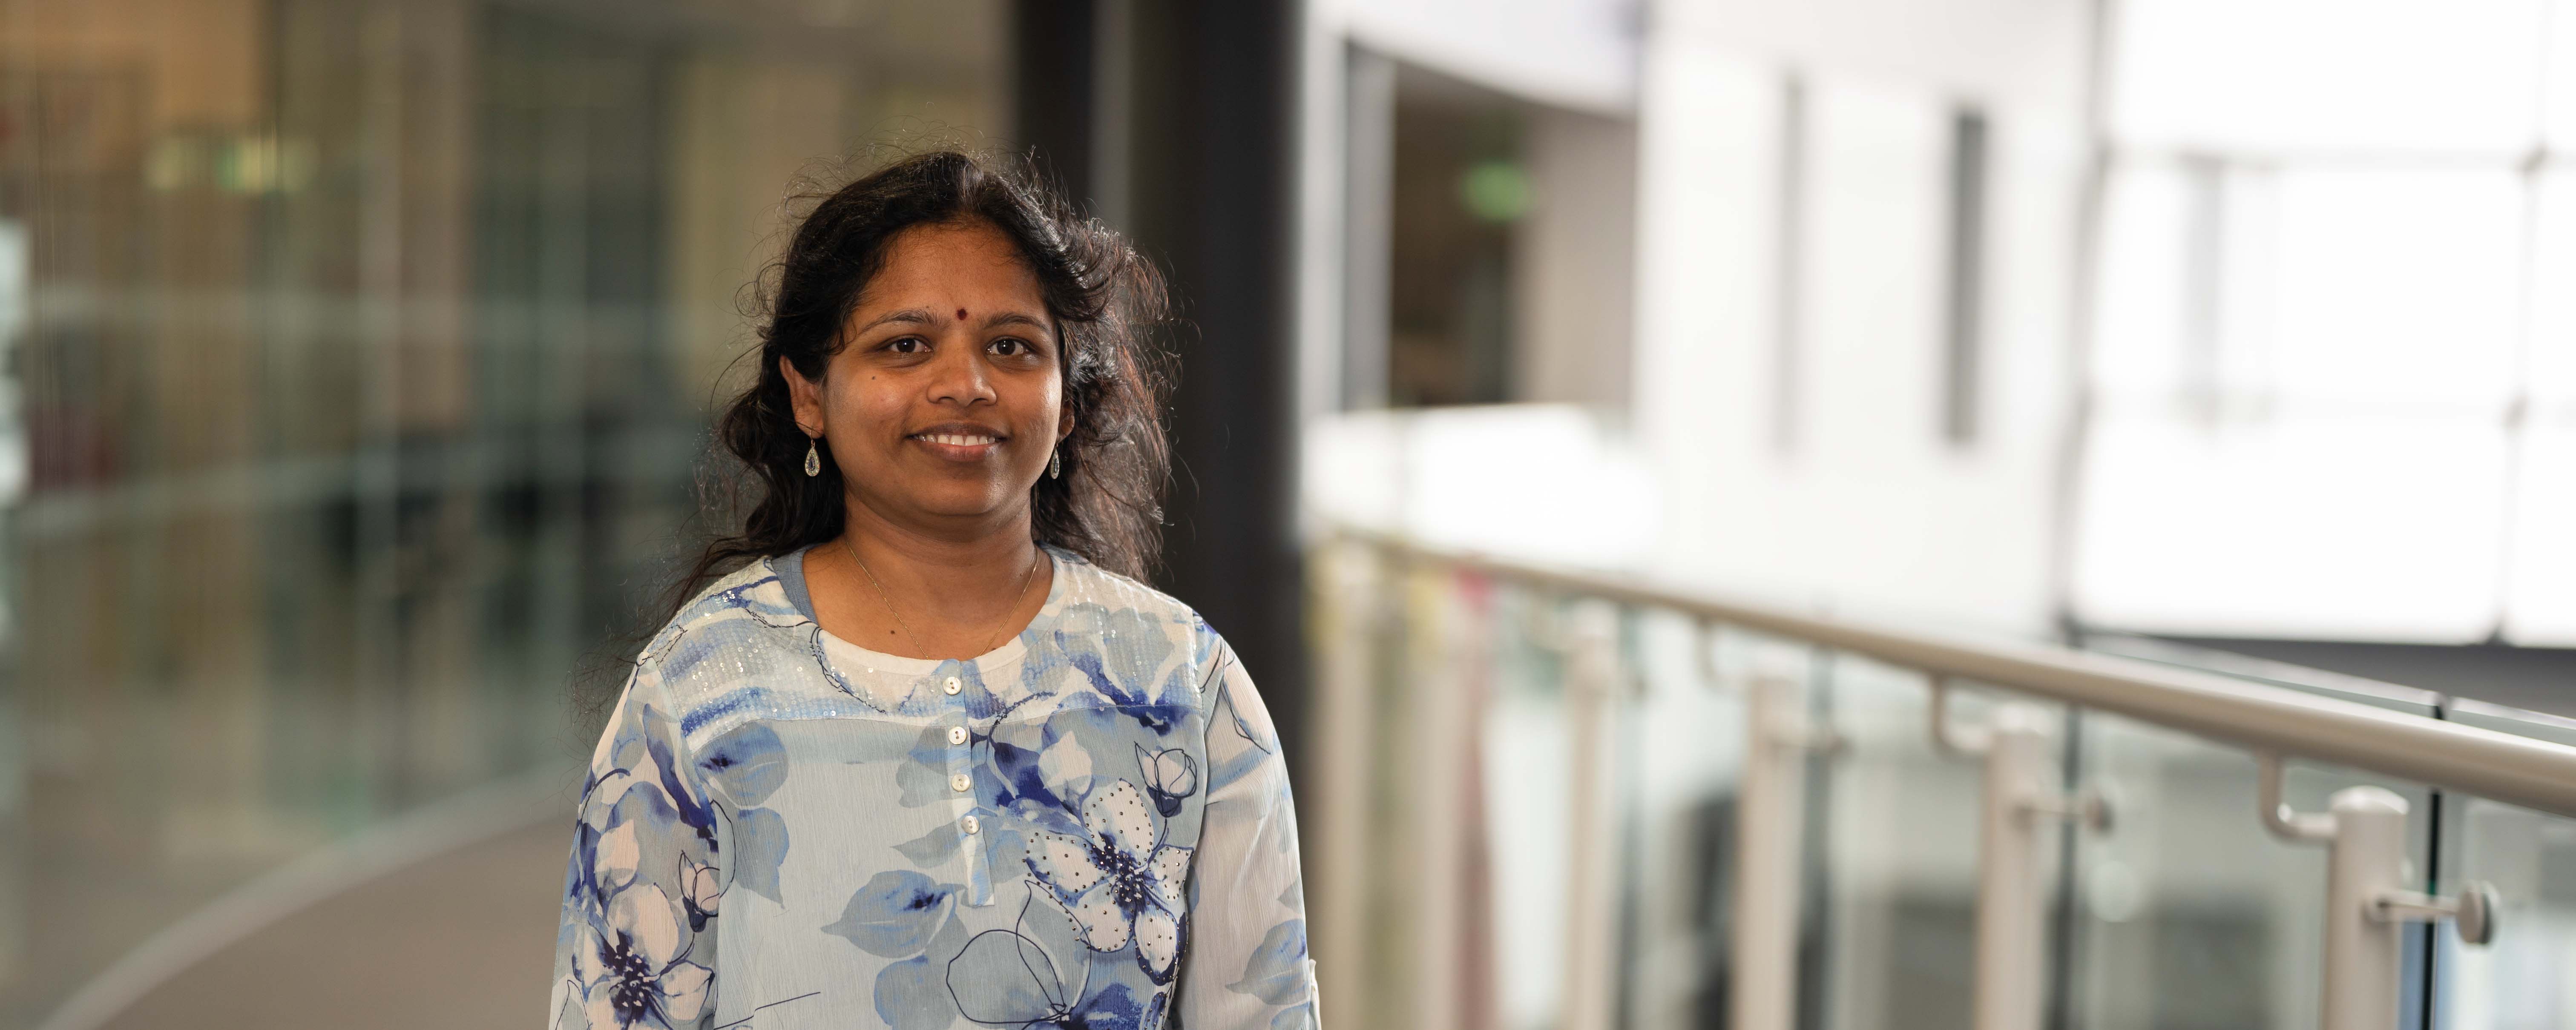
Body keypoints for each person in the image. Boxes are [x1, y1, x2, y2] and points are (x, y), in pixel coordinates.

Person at [546, 150, 1317, 1030]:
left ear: (1066, 400)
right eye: (904, 345)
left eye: (1012, 346)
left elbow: (1266, 1011)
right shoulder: (700, 688)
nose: (966, 384)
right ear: (808, 393)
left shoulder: (1182, 684)